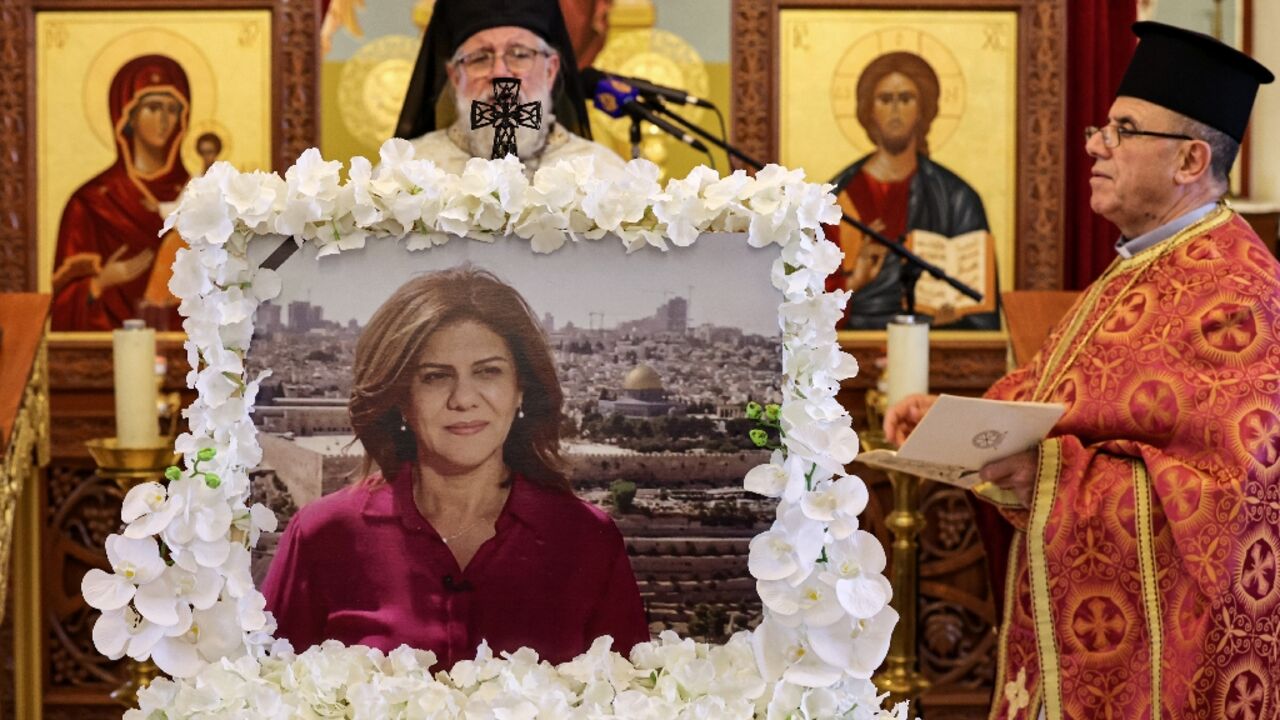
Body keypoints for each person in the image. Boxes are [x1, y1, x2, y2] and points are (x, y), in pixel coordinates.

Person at [883, 22, 1276, 720]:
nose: (1095, 145)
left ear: (1190, 159)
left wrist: (1054, 480)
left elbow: (1240, 506)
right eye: (1103, 127)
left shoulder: (1238, 294)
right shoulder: (1139, 266)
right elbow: (1062, 401)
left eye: (1123, 130)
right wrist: (954, 420)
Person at [262, 266, 648, 668]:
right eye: (434, 377)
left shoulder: (585, 541)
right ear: (401, 399)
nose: (464, 399)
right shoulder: (324, 536)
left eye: (488, 372)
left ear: (521, 390)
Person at [825, 51, 998, 330]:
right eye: (885, 99)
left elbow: (979, 311)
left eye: (906, 99)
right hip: (856, 344)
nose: (895, 110)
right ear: (869, 110)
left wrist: (951, 316)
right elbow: (814, 304)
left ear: (922, 110)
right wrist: (856, 281)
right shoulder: (837, 196)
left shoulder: (956, 197)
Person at [394, 0, 625, 175]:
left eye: (519, 55)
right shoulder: (407, 173)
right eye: (479, 58)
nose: (500, 74)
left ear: (550, 70)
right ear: (454, 77)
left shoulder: (602, 173)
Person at [51, 54, 190, 331]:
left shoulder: (201, 195)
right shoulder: (91, 202)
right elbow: (62, 302)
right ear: (127, 116)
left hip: (187, 357)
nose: (164, 119)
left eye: (172, 109)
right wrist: (101, 282)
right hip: (103, 357)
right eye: (152, 108)